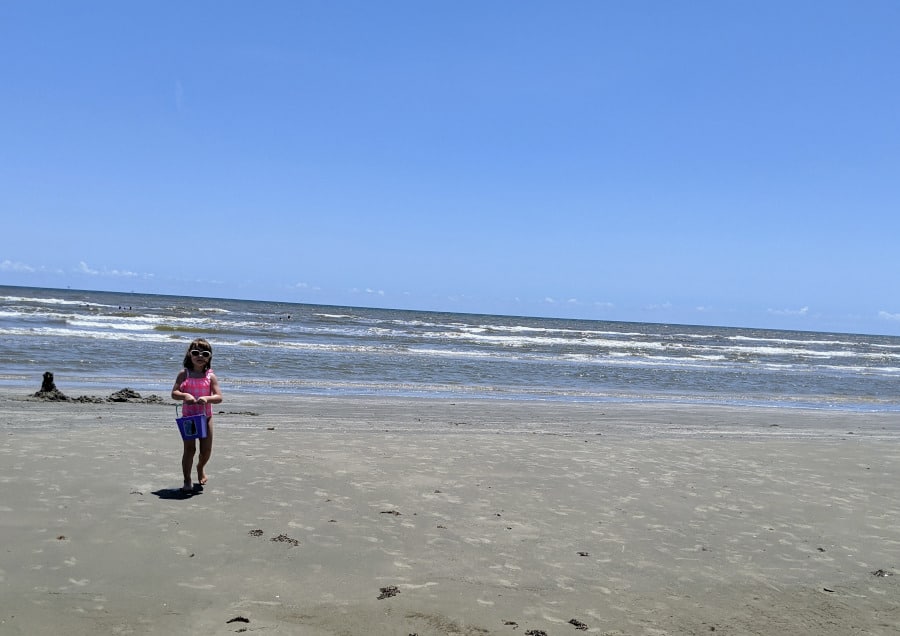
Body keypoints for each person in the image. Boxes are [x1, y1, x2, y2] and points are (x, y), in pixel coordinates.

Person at [171, 338, 222, 493]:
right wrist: (185, 396)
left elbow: (219, 397)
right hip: (189, 419)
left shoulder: (210, 376)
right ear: (189, 354)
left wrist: (207, 398)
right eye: (195, 352)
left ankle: (200, 467)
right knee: (189, 449)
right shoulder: (184, 374)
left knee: (206, 450)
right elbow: (174, 393)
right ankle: (187, 479)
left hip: (206, 417)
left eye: (205, 353)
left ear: (209, 357)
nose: (200, 356)